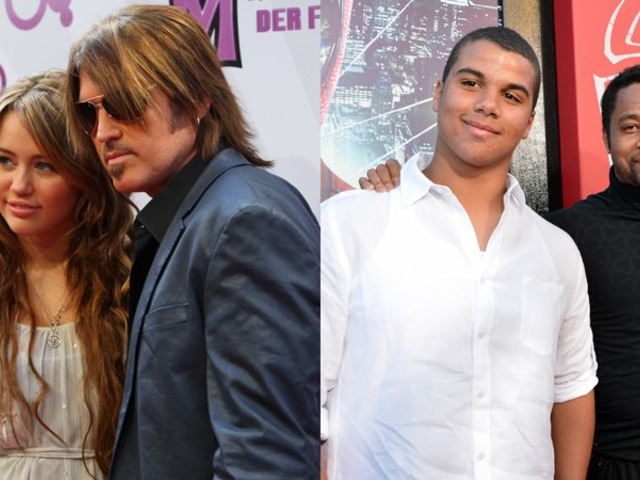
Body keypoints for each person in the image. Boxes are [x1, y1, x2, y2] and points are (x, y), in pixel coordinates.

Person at [321, 26, 598, 479]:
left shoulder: (556, 251)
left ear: (529, 123)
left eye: (511, 96)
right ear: (438, 93)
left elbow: (571, 387)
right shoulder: (349, 224)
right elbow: (304, 387)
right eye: (471, 83)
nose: (488, 104)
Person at [64, 5, 320, 479]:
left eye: (121, 102)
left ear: (197, 97)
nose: (103, 133)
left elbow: (264, 459)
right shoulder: (200, 214)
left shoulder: (245, 220)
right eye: (88, 112)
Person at [0, 70, 132, 479]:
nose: (19, 185)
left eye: (44, 166)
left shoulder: (130, 278)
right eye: (5, 161)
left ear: (84, 174)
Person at [545, 64, 640, 479]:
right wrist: (396, 190)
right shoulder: (566, 232)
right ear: (606, 138)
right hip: (612, 462)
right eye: (631, 127)